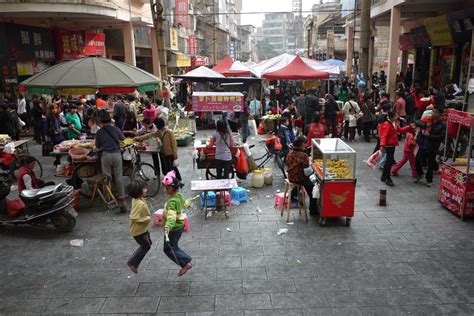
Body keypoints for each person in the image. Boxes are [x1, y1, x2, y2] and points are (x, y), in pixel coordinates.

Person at [95, 110, 128, 213]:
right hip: (117, 155)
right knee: (118, 177)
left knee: (107, 178)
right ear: (110, 120)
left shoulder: (99, 132)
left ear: (101, 121)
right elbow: (124, 140)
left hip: (105, 156)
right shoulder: (116, 129)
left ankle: (109, 199)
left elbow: (98, 146)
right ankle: (122, 201)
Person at [162, 171, 192, 276]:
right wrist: (189, 202)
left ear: (170, 189)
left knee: (168, 249)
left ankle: (185, 263)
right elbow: (185, 204)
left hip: (173, 228)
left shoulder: (172, 202)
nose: (164, 189)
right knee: (174, 246)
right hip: (179, 226)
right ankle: (186, 261)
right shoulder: (179, 196)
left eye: (166, 188)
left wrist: (167, 227)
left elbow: (171, 217)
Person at [379, 111, 412, 186]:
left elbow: (400, 130)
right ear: (391, 117)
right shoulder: (387, 124)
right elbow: (384, 135)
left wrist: (409, 127)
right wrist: (382, 145)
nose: (397, 117)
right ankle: (387, 177)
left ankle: (384, 176)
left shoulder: (394, 123)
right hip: (388, 145)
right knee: (389, 162)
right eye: (395, 116)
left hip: (392, 145)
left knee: (389, 161)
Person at [286, 136, 318, 216]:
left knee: (301, 184)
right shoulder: (303, 156)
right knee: (313, 189)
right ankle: (313, 210)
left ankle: (293, 195)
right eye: (304, 144)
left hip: (290, 177)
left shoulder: (290, 153)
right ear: (301, 144)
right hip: (299, 178)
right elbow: (307, 173)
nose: (305, 145)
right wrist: (312, 167)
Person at [415, 107, 446, 187]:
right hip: (423, 143)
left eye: (436, 112)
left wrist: (430, 136)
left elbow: (441, 137)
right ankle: (420, 174)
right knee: (417, 160)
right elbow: (418, 122)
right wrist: (423, 125)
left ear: (440, 114)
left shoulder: (442, 124)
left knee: (430, 164)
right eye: (433, 112)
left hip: (432, 146)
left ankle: (429, 180)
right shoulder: (428, 119)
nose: (433, 113)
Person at [126, 180, 152, 274]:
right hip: (138, 231)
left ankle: (133, 260)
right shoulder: (139, 203)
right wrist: (146, 219)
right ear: (139, 192)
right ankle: (132, 263)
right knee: (146, 246)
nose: (146, 189)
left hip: (143, 229)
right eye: (144, 188)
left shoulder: (137, 199)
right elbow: (134, 217)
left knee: (147, 243)